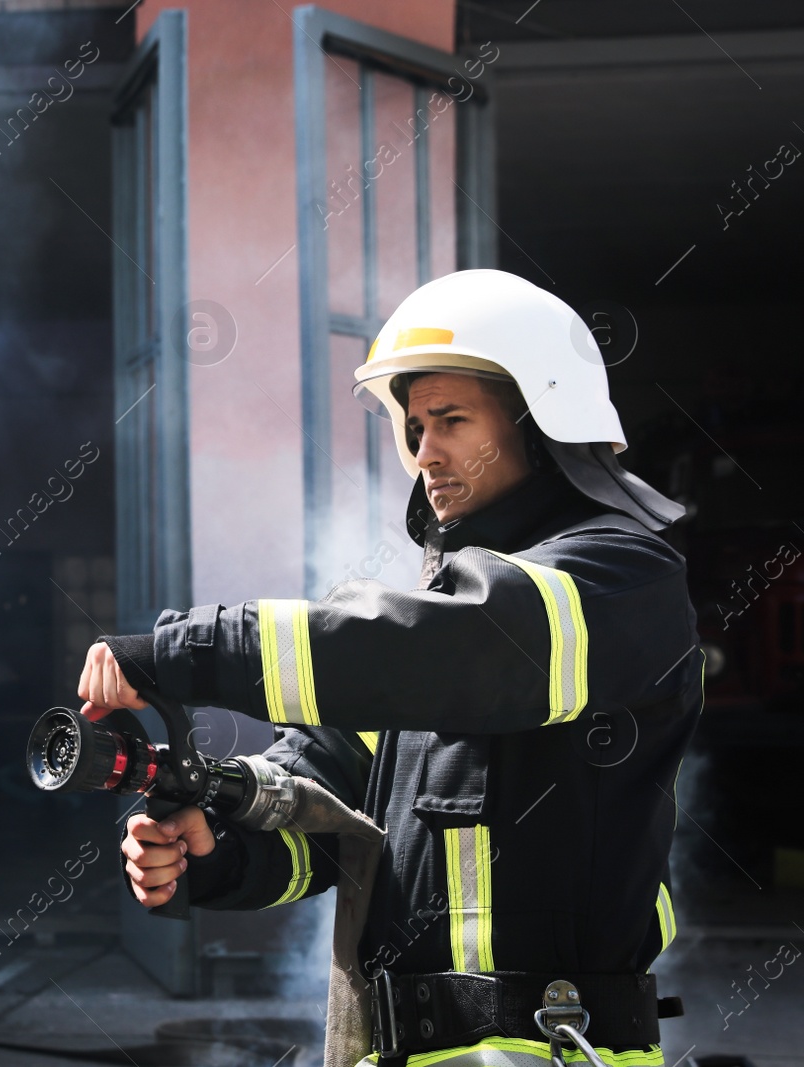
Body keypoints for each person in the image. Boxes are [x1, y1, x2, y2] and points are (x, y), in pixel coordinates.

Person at [79, 270, 698, 1067]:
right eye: (413, 426)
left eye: (450, 419)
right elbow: (337, 815)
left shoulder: (623, 580)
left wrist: (186, 651)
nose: (422, 452)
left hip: (555, 1051)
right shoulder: (429, 639)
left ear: (543, 420)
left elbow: (469, 646)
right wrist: (219, 847)